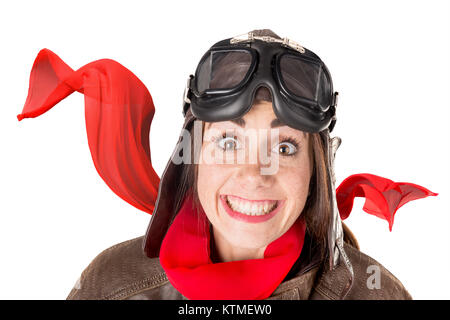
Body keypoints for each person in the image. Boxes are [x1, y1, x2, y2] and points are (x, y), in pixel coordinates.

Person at [17, 29, 437, 300]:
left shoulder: (373, 293)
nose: (255, 173)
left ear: (317, 173)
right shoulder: (109, 285)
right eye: (229, 141)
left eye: (286, 147)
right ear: (193, 156)